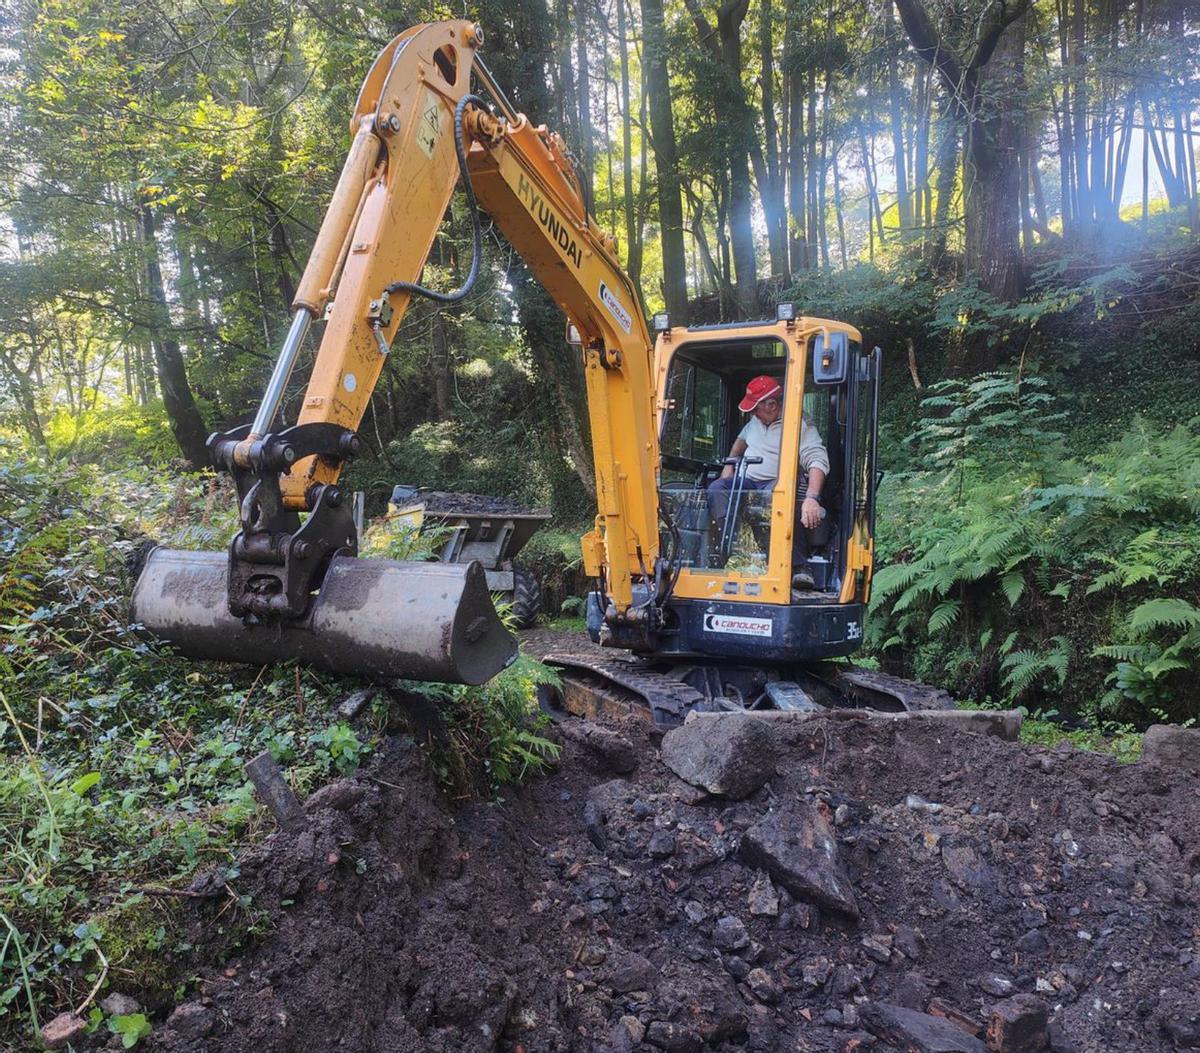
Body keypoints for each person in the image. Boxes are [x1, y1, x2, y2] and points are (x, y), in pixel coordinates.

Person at [706, 375, 829, 530]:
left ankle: (770, 548)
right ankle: (733, 540)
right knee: (717, 489)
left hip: (775, 484)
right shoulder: (755, 421)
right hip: (748, 481)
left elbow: (816, 459)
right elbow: (739, 444)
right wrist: (729, 465)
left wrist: (812, 498)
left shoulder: (798, 422)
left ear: (772, 405)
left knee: (772, 498)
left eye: (755, 410)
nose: (752, 414)